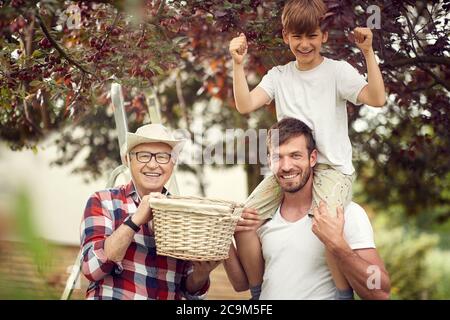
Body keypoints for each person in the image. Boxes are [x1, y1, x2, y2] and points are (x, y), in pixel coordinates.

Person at [228, 0, 386, 299]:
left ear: (323, 36)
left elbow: (377, 99)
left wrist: (368, 52)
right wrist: (237, 64)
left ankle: (341, 294)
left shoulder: (337, 72)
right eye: (297, 37)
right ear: (286, 36)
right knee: (244, 220)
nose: (304, 44)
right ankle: (258, 292)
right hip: (290, 165)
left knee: (326, 224)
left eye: (312, 35)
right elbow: (245, 104)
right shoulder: (279, 76)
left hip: (330, 169)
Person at [80, 123, 259, 299]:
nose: (152, 164)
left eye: (163, 157)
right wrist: (134, 221)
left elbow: (189, 292)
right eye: (143, 156)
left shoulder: (183, 215)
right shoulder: (103, 201)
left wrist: (200, 274)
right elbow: (91, 269)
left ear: (173, 163)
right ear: (128, 159)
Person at [224, 118, 390, 299]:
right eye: (278, 157)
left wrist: (338, 245)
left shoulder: (345, 214)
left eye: (295, 156)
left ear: (312, 158)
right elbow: (240, 284)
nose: (286, 166)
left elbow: (380, 292)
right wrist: (220, 237)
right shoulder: (260, 218)